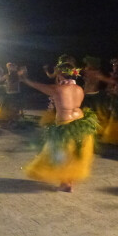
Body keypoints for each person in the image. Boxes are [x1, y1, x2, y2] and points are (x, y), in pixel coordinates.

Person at [20, 62, 98, 192]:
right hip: (80, 123)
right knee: (72, 154)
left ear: (60, 75)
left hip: (65, 124)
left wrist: (25, 78)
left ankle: (65, 183)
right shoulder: (79, 88)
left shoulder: (57, 89)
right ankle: (68, 181)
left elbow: (37, 86)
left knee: (60, 155)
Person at [81, 55, 111, 136]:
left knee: (97, 114)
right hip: (85, 95)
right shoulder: (86, 71)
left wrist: (110, 87)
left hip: (94, 96)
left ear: (92, 65)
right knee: (84, 113)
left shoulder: (97, 73)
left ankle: (97, 131)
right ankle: (88, 130)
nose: (86, 66)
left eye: (87, 64)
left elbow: (109, 81)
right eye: (86, 64)